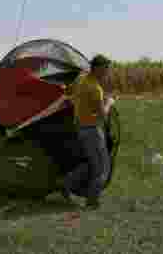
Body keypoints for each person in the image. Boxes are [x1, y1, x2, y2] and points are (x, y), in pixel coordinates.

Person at [60, 54, 115, 209]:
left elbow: (69, 92)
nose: (107, 72)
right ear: (97, 68)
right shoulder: (95, 89)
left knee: (91, 163)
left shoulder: (81, 78)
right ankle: (92, 201)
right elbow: (103, 116)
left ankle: (65, 184)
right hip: (92, 130)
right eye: (105, 69)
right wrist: (109, 102)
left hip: (80, 128)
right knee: (102, 168)